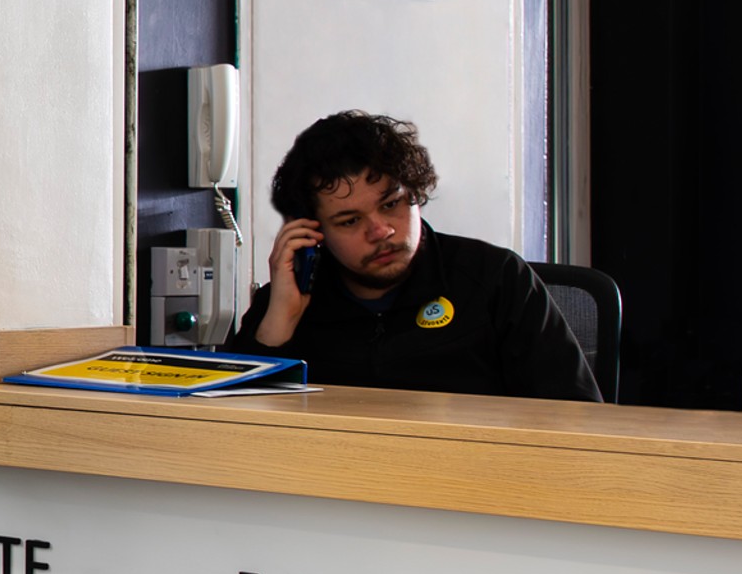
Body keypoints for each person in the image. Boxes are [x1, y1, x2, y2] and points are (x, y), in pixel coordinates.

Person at [228, 110, 597, 401]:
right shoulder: (290, 298)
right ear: (314, 232)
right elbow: (231, 430)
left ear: (415, 193)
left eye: (391, 204)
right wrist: (280, 321)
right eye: (350, 220)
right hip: (338, 487)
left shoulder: (495, 278)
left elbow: (575, 417)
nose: (381, 231)